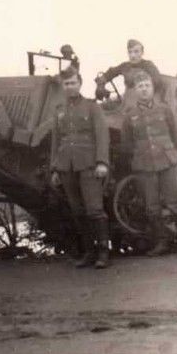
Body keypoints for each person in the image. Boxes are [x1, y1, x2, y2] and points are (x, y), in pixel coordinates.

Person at [120, 69, 177, 257]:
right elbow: (127, 144)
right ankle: (161, 243)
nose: (144, 89)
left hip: (167, 161)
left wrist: (166, 151)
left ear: (153, 87)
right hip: (144, 164)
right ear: (134, 91)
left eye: (147, 85)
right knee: (151, 206)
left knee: (176, 202)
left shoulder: (164, 109)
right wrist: (142, 153)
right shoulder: (129, 115)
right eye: (140, 86)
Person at [49, 66, 111, 268]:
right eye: (66, 84)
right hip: (66, 166)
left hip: (88, 164)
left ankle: (103, 253)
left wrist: (102, 162)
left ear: (80, 83)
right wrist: (55, 168)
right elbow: (56, 141)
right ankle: (89, 252)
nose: (69, 87)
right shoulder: (59, 110)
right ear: (63, 86)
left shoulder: (92, 107)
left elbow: (102, 136)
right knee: (77, 210)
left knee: (94, 209)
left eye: (73, 83)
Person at [95, 38, 164, 96]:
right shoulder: (125, 66)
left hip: (146, 101)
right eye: (130, 52)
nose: (132, 55)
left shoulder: (148, 65)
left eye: (136, 52)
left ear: (142, 52)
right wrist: (100, 85)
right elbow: (110, 73)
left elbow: (157, 82)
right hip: (128, 102)